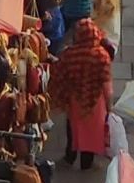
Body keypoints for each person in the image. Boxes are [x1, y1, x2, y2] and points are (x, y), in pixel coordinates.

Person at [48, 15, 112, 169]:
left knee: (73, 128)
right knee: (92, 131)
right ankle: (86, 161)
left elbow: (58, 72)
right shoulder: (102, 55)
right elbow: (106, 83)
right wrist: (110, 106)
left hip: (74, 98)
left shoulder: (70, 53)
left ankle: (70, 155)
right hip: (95, 100)